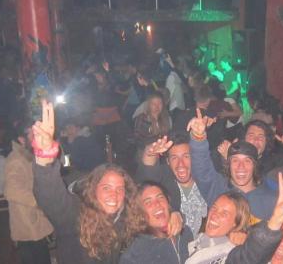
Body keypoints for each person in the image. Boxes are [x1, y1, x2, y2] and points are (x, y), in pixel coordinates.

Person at [32, 100, 182, 263]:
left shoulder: (124, 216)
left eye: (120, 189)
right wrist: (44, 158)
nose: (114, 194)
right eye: (107, 188)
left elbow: (147, 187)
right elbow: (52, 198)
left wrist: (176, 214)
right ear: (93, 189)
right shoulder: (75, 215)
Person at [186, 173, 283, 264]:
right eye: (214, 208)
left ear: (235, 223)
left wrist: (275, 221)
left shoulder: (230, 251)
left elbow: (251, 256)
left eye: (224, 213)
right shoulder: (198, 242)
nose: (215, 215)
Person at [189, 108, 277, 222]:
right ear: (228, 163)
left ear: (255, 165)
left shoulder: (271, 199)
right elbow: (201, 169)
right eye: (235, 160)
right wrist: (198, 137)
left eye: (247, 161)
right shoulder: (218, 188)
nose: (241, 167)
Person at [136, 132, 208, 236]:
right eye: (174, 158)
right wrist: (149, 154)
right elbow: (147, 175)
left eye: (186, 156)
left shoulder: (206, 182)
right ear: (168, 161)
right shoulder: (163, 184)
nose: (180, 164)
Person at [4, 122, 53, 264]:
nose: (37, 138)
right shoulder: (16, 160)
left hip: (34, 223)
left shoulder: (27, 156)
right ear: (21, 139)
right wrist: (39, 200)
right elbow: (11, 190)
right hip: (27, 225)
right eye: (33, 135)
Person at [119, 182, 192, 264]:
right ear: (140, 213)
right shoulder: (135, 254)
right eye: (148, 202)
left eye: (160, 197)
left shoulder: (185, 233)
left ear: (168, 203)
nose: (157, 204)